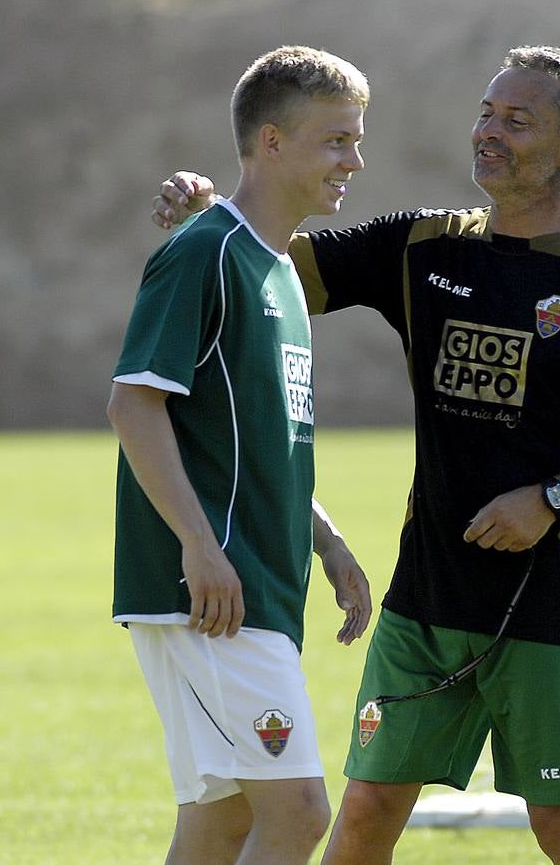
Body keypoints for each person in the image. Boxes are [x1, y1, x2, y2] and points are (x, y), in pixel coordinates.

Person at [151, 46, 560, 865]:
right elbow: (262, 272)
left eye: (517, 121)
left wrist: (552, 498)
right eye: (485, 113)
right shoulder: (423, 244)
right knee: (368, 809)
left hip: (548, 603)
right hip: (423, 600)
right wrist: (207, 220)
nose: (488, 133)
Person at [110, 45, 374, 864]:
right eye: (335, 140)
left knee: (223, 821)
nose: (353, 161)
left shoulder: (279, 273)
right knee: (296, 813)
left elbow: (261, 441)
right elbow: (135, 402)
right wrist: (199, 546)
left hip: (253, 580)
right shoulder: (206, 251)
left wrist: (325, 543)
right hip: (213, 591)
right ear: (271, 141)